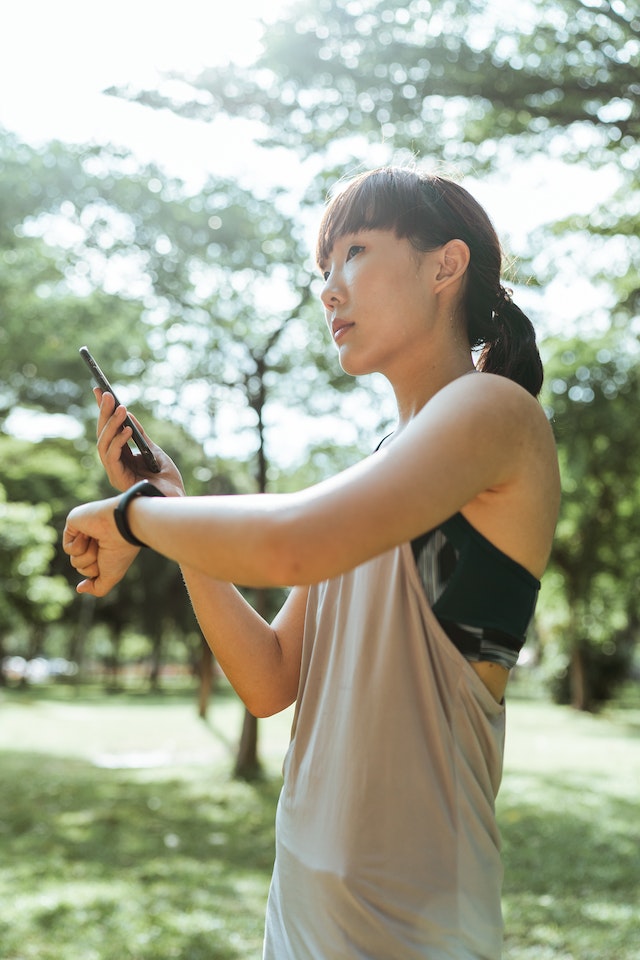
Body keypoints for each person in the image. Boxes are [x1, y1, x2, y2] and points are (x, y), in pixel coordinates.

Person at [63, 165, 560, 959]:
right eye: (322, 272)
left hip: (415, 932)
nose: (329, 290)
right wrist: (169, 501)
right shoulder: (381, 467)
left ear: (446, 264)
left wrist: (138, 517)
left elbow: (291, 543)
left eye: (355, 252)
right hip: (300, 919)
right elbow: (270, 678)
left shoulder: (494, 410)